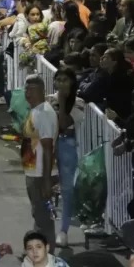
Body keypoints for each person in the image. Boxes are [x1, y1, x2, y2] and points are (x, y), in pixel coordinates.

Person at [22, 75, 58, 254]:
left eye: (33, 89)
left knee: (43, 217)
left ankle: (48, 255)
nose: (28, 93)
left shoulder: (44, 113)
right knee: (38, 214)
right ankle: (39, 251)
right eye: (26, 89)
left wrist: (46, 180)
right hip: (32, 171)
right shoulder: (36, 110)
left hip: (40, 174)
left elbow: (48, 148)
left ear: (42, 91)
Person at [52, 67, 78, 249]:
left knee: (67, 190)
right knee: (46, 185)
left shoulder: (79, 103)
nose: (61, 83)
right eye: (58, 79)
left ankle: (64, 230)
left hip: (68, 146)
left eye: (65, 79)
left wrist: (61, 102)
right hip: (48, 147)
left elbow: (63, 123)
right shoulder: (48, 99)